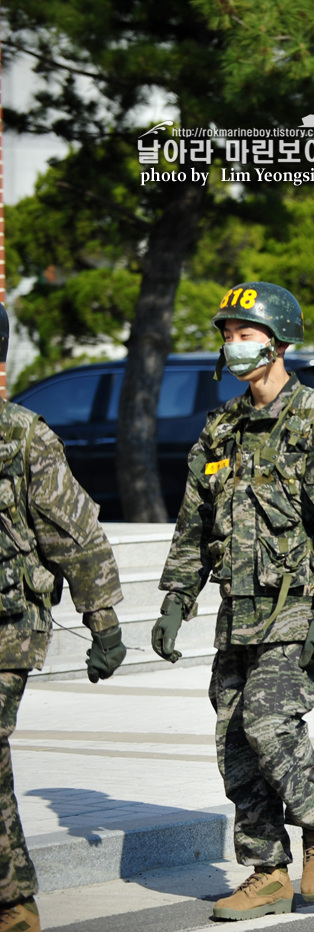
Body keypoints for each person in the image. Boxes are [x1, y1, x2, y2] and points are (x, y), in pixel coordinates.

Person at [154, 283, 314, 920]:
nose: (233, 344)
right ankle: (267, 872)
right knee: (234, 743)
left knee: (269, 723)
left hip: (296, 605)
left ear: (278, 343)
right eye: (227, 334)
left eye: (245, 334)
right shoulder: (221, 427)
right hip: (237, 612)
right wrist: (175, 598)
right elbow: (194, 523)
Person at [0, 303, 127, 932]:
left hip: (5, 630)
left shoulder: (23, 435)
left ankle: (12, 901)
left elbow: (73, 531)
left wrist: (102, 619)